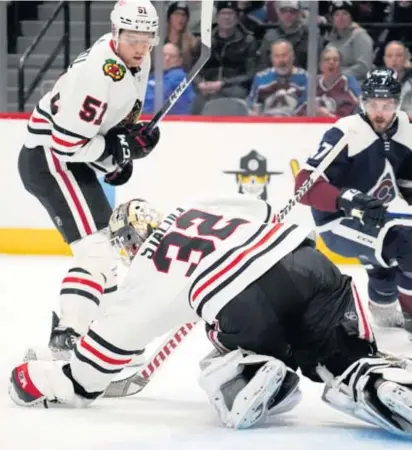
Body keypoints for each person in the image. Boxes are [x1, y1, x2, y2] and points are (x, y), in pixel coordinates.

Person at [9, 196, 412, 437]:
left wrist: (34, 379)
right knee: (343, 358)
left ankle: (249, 374)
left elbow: (91, 371)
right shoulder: (200, 205)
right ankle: (373, 379)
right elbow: (268, 210)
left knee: (218, 333)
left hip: (244, 303)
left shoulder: (146, 273)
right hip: (310, 266)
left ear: (127, 242)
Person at [18, 0, 161, 362]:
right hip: (50, 160)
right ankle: (67, 337)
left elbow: (110, 125)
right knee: (96, 253)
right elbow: (66, 144)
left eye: (148, 38)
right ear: (115, 33)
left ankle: (110, 336)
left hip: (68, 158)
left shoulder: (133, 61)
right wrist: (115, 149)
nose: (141, 47)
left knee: (108, 251)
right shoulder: (97, 74)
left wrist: (127, 143)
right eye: (132, 38)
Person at [295, 68, 412, 333]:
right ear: (362, 102)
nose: (379, 112)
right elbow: (303, 184)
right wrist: (347, 199)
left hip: (376, 218)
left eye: (387, 104)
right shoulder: (345, 132)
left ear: (397, 103)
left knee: (386, 267)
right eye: (372, 104)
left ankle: (383, 316)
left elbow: (407, 182)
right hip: (337, 223)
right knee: (408, 246)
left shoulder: (406, 128)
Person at [296, 46, 361, 118]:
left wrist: (330, 116)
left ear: (340, 65)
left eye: (335, 60)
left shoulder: (348, 82)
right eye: (327, 59)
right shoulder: (313, 83)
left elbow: (357, 109)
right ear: (320, 65)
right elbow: (299, 110)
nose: (331, 62)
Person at [247, 39, 307, 116]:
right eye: (277, 56)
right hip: (267, 123)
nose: (281, 60)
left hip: (296, 124)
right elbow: (251, 105)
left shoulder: (306, 78)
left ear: (293, 57)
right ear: (271, 58)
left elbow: (308, 108)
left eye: (284, 55)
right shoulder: (261, 77)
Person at [143, 43, 195, 115]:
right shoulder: (152, 76)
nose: (167, 58)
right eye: (163, 55)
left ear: (179, 61)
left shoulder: (179, 76)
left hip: (171, 121)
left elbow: (156, 102)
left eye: (172, 56)